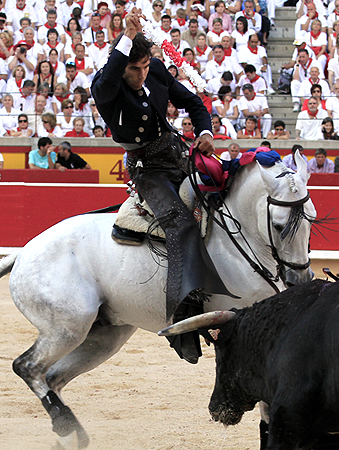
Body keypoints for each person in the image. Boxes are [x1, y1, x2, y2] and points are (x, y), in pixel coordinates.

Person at [91, 8, 233, 364]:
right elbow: (111, 74)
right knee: (181, 224)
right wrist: (125, 37)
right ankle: (183, 315)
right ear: (122, 64)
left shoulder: (153, 69)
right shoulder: (106, 86)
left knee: (224, 198)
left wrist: (204, 133)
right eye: (133, 68)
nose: (141, 74)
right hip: (148, 170)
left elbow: (193, 103)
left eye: (144, 66)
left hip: (178, 155)